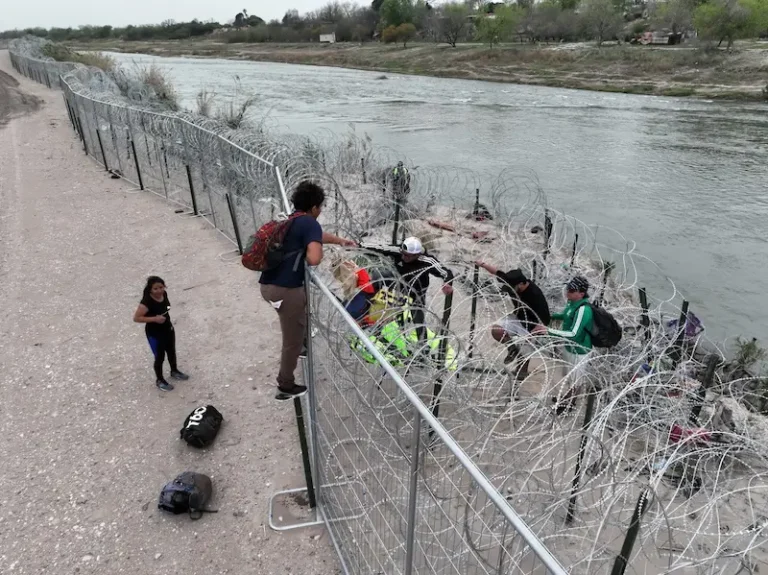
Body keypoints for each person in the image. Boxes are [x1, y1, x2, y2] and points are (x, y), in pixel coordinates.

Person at [259, 181, 355, 400]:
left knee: (299, 323)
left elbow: (316, 235)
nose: (320, 211)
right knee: (290, 341)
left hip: (267, 285)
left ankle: (302, 344)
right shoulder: (309, 223)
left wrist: (340, 241)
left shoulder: (292, 220)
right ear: (313, 208)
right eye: (320, 207)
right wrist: (315, 251)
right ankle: (285, 385)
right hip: (285, 291)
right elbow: (313, 258)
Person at [366, 237, 454, 342]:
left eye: (407, 256)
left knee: (418, 320)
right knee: (378, 276)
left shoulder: (427, 261)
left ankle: (423, 346)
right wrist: (358, 245)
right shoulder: (399, 251)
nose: (403, 257)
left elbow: (445, 272)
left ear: (416, 255)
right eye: (403, 253)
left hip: (416, 292)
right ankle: (369, 309)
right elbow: (378, 248)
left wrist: (447, 282)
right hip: (398, 286)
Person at [475, 262, 550, 379]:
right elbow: (496, 272)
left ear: (520, 284)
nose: (509, 290)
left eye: (511, 288)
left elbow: (545, 318)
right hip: (518, 318)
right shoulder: (511, 281)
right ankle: (512, 348)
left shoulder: (535, 295)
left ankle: (520, 376)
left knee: (524, 357)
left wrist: (536, 332)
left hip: (531, 325)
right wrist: (483, 264)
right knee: (496, 330)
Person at [533, 276, 594, 414]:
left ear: (581, 294)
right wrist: (551, 317)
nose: (568, 292)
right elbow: (565, 316)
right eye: (568, 288)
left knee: (575, 380)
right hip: (569, 347)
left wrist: (548, 331)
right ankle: (567, 399)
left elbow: (574, 334)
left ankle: (569, 404)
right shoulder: (571, 303)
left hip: (579, 351)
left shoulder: (584, 310)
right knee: (568, 376)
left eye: (572, 290)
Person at [133, 276, 189, 392]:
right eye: (155, 289)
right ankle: (160, 380)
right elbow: (136, 318)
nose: (159, 291)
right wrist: (154, 319)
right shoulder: (146, 302)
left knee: (171, 352)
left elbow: (166, 307)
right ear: (150, 290)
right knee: (159, 357)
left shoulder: (164, 294)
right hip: (155, 334)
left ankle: (174, 371)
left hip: (168, 329)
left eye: (161, 287)